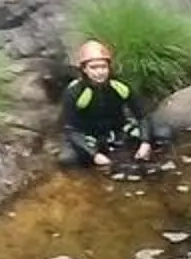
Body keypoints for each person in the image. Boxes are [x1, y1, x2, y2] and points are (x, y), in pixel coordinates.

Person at [58, 38, 160, 169]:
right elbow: (71, 130)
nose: (99, 72)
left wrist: (145, 142)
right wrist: (94, 154)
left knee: (163, 133)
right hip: (89, 134)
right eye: (93, 68)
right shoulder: (74, 92)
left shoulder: (119, 86)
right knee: (67, 159)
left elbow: (142, 115)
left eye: (103, 67)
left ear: (109, 68)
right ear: (84, 69)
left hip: (117, 130)